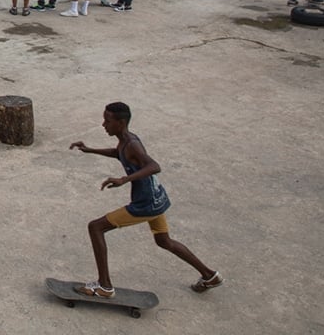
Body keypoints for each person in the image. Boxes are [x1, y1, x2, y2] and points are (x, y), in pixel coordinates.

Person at [69, 102, 222, 298]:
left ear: (120, 122)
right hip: (157, 198)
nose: (103, 124)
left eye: (107, 120)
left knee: (95, 227)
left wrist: (124, 179)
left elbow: (154, 166)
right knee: (164, 241)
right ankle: (209, 275)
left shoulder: (132, 143)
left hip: (146, 203)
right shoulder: (126, 140)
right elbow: (118, 154)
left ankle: (105, 286)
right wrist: (89, 150)